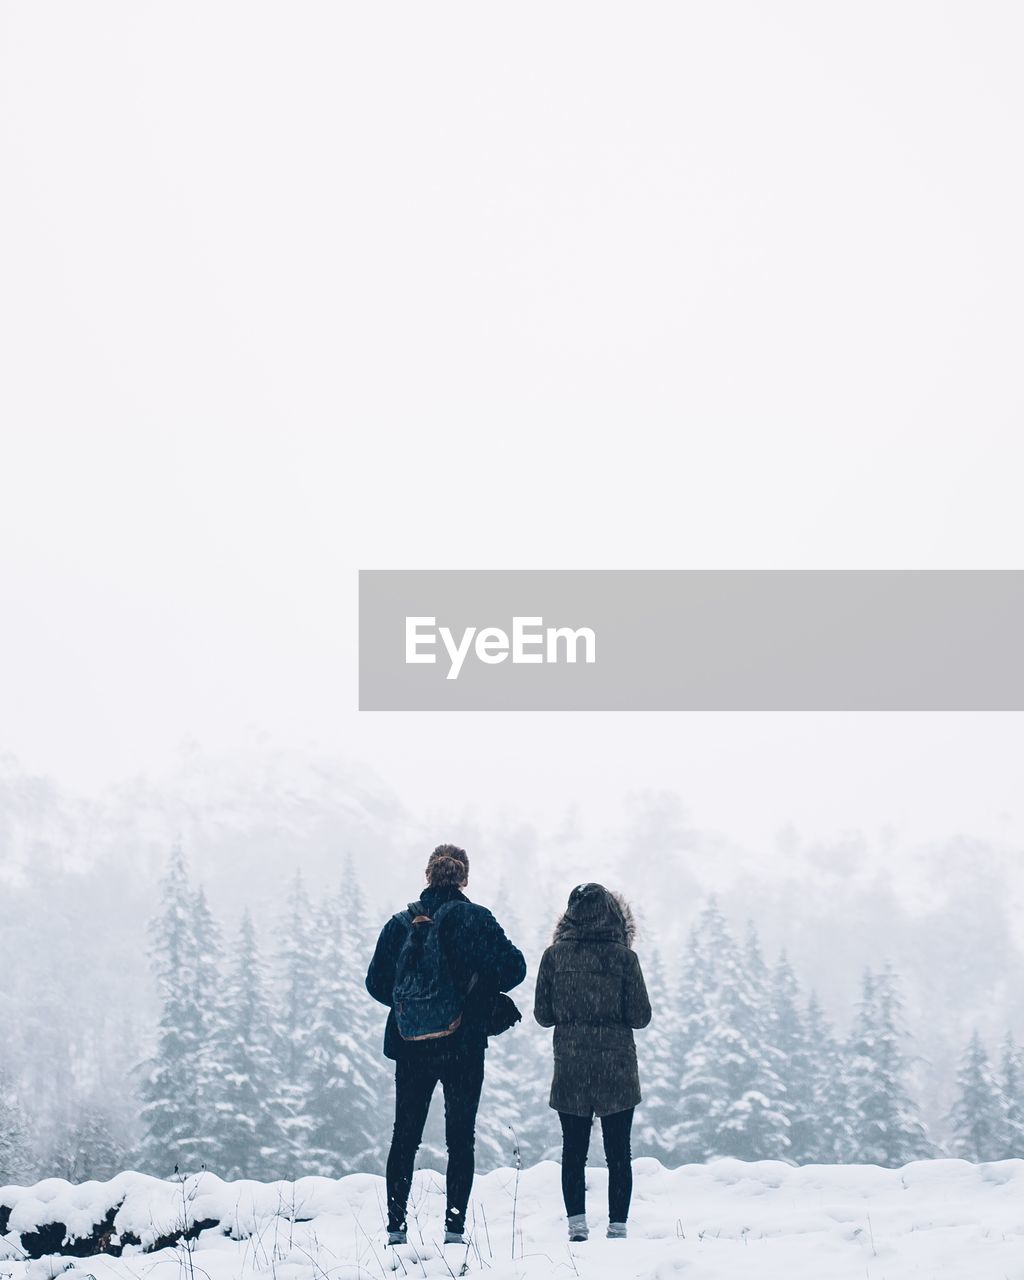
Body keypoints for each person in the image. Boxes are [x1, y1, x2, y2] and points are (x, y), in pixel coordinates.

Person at [366, 843, 526, 1247]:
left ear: (428, 875)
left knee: (405, 1137)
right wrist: (475, 992)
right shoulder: (476, 920)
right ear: (464, 877)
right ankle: (454, 1230)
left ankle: (396, 1228)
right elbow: (515, 968)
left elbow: (376, 982)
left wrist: (412, 1006)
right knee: (460, 1138)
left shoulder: (401, 923)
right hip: (464, 1045)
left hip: (411, 1045)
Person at [534, 882, 652, 1242]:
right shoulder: (624, 958)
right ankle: (617, 1228)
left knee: (573, 1151)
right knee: (620, 1153)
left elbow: (543, 1015)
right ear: (614, 915)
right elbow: (640, 1017)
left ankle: (577, 1227)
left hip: (571, 1065)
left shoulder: (554, 956)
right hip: (616, 1067)